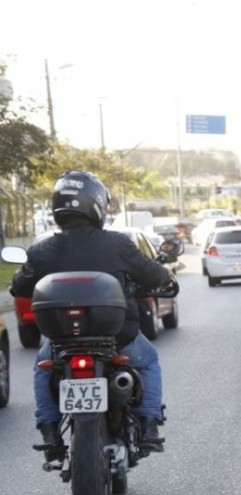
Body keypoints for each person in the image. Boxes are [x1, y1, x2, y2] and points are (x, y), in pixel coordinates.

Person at [10, 170, 174, 456]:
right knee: (148, 361)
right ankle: (148, 424)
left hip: (62, 342)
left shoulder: (43, 250)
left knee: (41, 369)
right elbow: (153, 275)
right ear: (96, 204)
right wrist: (166, 279)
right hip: (117, 338)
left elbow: (19, 287)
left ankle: (49, 430)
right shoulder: (119, 244)